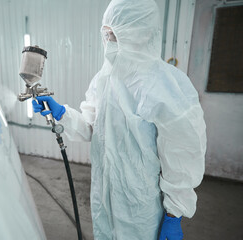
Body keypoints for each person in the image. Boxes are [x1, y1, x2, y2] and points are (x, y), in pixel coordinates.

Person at [33, 0, 207, 239]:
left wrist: (174, 213)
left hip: (141, 211)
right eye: (107, 34)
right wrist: (62, 113)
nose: (109, 42)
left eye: (115, 34)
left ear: (139, 33)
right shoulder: (104, 79)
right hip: (104, 202)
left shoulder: (166, 86)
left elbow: (183, 155)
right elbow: (92, 127)